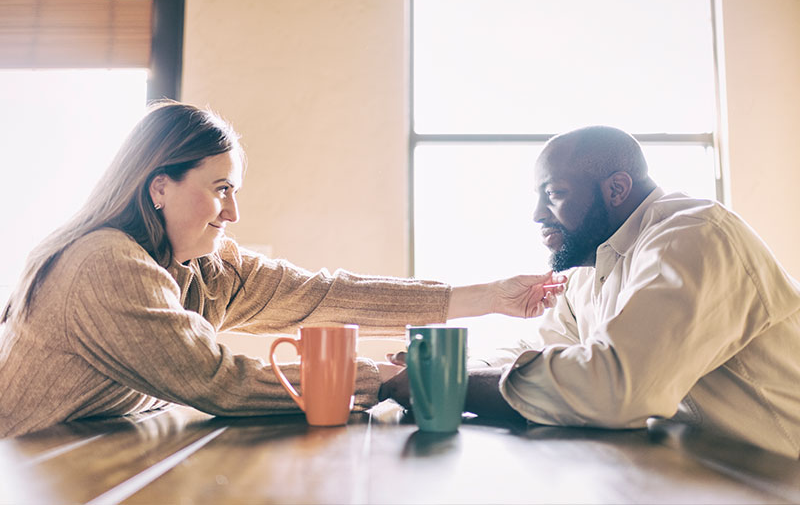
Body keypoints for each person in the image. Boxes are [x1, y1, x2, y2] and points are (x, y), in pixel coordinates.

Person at [0, 101, 563, 438]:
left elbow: (324, 295)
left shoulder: (201, 268)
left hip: (94, 455)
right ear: (158, 188)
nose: (234, 212)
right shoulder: (105, 263)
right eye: (220, 190)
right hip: (29, 469)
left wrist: (489, 295)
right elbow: (217, 381)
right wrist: (382, 380)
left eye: (234, 191)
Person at [381, 125, 800, 458]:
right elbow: (545, 348)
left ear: (616, 189)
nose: (537, 214)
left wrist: (444, 384)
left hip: (772, 478)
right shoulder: (591, 264)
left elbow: (616, 389)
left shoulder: (693, 237)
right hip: (686, 472)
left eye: (555, 194)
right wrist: (448, 366)